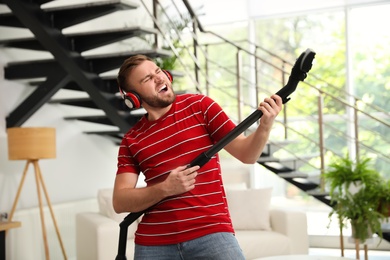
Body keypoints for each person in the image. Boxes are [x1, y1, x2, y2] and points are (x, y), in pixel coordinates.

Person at [113, 54, 283, 260]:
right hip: (154, 243)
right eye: (147, 79)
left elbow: (246, 154)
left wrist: (265, 127)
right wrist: (165, 188)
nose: (159, 78)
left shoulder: (200, 107)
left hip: (212, 233)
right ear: (133, 98)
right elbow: (120, 201)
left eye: (158, 71)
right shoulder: (132, 140)